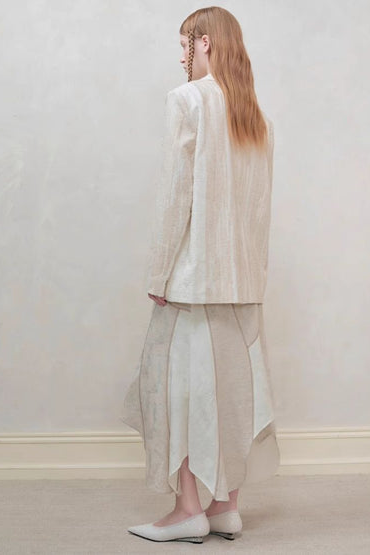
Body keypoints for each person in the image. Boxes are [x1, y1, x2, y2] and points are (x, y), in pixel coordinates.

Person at [120, 6, 280, 544]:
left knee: (177, 392)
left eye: (184, 44)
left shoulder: (188, 99)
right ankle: (225, 507)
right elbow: (259, 212)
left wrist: (159, 271)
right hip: (241, 283)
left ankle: (187, 509)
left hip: (193, 279)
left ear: (204, 42)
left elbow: (175, 194)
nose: (181, 56)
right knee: (231, 390)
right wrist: (252, 278)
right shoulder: (256, 118)